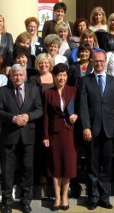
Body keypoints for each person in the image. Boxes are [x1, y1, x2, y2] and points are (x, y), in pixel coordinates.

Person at [0, 64, 44, 213]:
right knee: (8, 171)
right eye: (15, 75)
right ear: (11, 76)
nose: (18, 77)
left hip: (28, 136)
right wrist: (13, 118)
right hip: (9, 136)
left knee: (27, 170)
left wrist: (28, 116)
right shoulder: (3, 91)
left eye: (21, 75)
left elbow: (40, 109)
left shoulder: (34, 90)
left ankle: (25, 201)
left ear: (25, 76)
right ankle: (7, 202)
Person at [79, 50, 114, 210]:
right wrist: (86, 126)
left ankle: (104, 198)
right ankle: (93, 197)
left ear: (105, 62)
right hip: (92, 130)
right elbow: (82, 106)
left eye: (101, 61)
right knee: (92, 166)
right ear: (92, 62)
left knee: (106, 165)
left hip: (110, 130)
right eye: (96, 61)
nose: (99, 63)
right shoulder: (85, 81)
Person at [42, 63, 77, 211]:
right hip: (54, 133)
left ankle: (65, 197)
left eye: (64, 75)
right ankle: (56, 197)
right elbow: (45, 116)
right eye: (58, 75)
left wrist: (77, 115)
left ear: (67, 76)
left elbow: (79, 108)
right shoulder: (48, 92)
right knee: (56, 165)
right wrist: (45, 136)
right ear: (54, 77)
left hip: (70, 133)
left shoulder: (73, 90)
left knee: (68, 165)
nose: (61, 78)